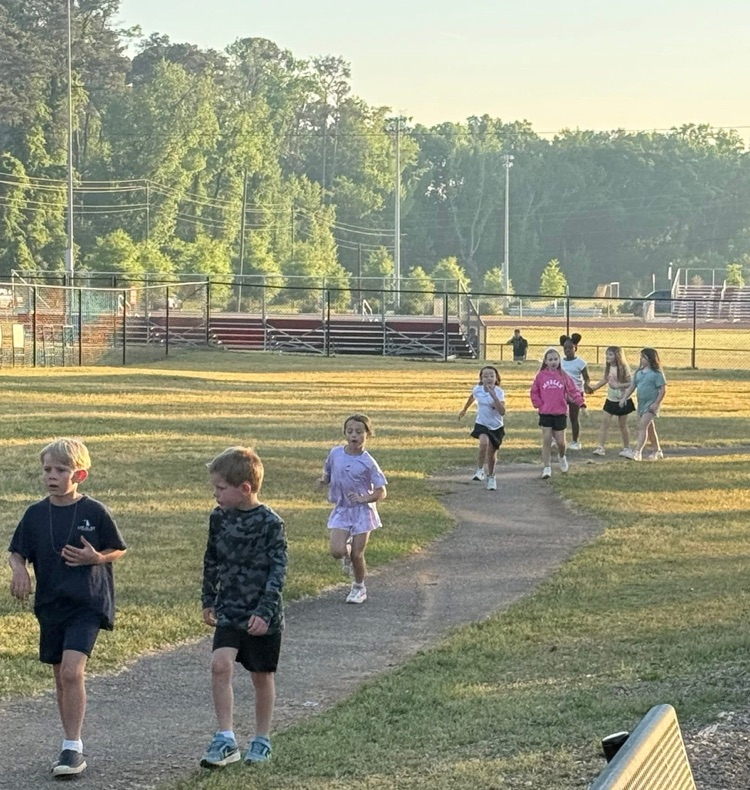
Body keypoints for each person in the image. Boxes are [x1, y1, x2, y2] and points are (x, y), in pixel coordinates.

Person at [8, 438, 127, 779]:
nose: (52, 476)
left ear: (80, 475)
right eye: (47, 469)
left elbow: (117, 548)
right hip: (51, 604)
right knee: (61, 676)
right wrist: (19, 570)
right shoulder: (34, 514)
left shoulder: (94, 511)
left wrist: (97, 558)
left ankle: (73, 747)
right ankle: (68, 742)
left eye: (61, 470)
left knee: (73, 672)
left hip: (86, 603)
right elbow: (17, 551)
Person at [201, 446, 287, 768]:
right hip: (230, 609)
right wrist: (209, 599)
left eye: (221, 488)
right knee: (219, 665)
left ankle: (261, 739)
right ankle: (225, 738)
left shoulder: (270, 523)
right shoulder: (218, 518)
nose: (215, 495)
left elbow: (278, 571)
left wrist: (265, 611)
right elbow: (211, 559)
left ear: (245, 489)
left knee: (261, 676)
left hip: (262, 615)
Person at [319, 414, 387, 604]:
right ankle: (345, 555)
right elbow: (329, 470)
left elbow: (382, 491)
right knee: (336, 550)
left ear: (368, 435)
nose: (354, 436)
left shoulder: (369, 462)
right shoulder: (335, 453)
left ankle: (359, 587)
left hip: (363, 513)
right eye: (350, 432)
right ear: (345, 434)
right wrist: (324, 480)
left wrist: (364, 498)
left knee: (358, 554)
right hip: (342, 509)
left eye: (359, 432)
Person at [530, 347, 585, 479]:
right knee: (547, 439)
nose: (553, 362)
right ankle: (547, 467)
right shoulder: (541, 376)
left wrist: (580, 402)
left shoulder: (563, 375)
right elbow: (534, 391)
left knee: (561, 442)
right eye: (550, 359)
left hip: (560, 413)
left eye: (556, 359)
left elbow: (573, 390)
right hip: (545, 413)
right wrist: (538, 403)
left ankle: (562, 456)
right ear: (545, 361)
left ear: (559, 360)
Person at [458, 365, 506, 491]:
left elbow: (502, 411)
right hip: (482, 423)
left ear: (496, 378)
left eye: (491, 376)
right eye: (485, 376)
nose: (489, 378)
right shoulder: (477, 389)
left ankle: (491, 477)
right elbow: (472, 397)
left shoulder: (499, 392)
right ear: (481, 378)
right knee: (483, 443)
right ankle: (479, 469)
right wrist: (464, 409)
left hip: (496, 426)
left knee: (491, 454)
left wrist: (493, 394)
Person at [587, 346, 636, 458]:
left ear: (617, 356)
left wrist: (619, 385)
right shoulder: (608, 367)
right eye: (607, 354)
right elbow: (605, 379)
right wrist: (594, 388)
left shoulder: (624, 368)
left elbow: (631, 383)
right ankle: (600, 447)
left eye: (610, 354)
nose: (607, 357)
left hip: (623, 400)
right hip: (611, 400)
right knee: (604, 423)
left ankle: (627, 448)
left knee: (622, 425)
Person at [619, 347, 667, 461]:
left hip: (651, 405)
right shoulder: (639, 373)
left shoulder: (657, 374)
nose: (641, 359)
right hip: (642, 404)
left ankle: (637, 452)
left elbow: (663, 390)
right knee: (650, 428)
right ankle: (657, 450)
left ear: (650, 359)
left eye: (643, 357)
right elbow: (632, 386)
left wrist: (656, 403)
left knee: (642, 426)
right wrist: (624, 397)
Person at [559, 333, 590, 450]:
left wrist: (587, 385)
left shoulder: (580, 363)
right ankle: (558, 439)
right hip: (562, 393)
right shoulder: (560, 362)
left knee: (574, 417)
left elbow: (586, 377)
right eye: (565, 348)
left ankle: (575, 441)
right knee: (559, 416)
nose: (567, 350)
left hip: (576, 393)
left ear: (575, 348)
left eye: (570, 348)